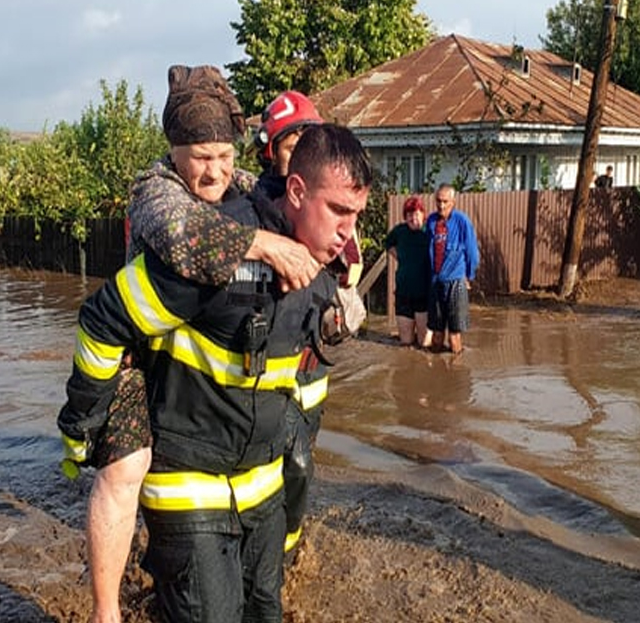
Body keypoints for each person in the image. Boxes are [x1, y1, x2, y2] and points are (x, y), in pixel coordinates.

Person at [59, 123, 373, 622]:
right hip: (190, 487)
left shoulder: (318, 258)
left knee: (265, 612)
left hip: (262, 489)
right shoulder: (215, 254)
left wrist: (330, 329)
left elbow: (293, 372)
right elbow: (102, 320)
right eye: (338, 211)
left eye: (356, 215)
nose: (348, 232)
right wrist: (82, 426)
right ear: (296, 190)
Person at [253, 90, 362, 556]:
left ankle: (285, 546)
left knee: (298, 462)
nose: (297, 151)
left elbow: (351, 265)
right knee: (275, 463)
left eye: (305, 140)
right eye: (288, 143)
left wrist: (347, 305)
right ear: (270, 152)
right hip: (263, 364)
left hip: (309, 365)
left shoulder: (332, 213)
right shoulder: (252, 207)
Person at [425, 183, 479, 355]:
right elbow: (428, 249)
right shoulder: (432, 221)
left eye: (445, 202)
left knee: (454, 336)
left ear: (453, 202)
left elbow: (472, 252)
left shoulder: (462, 222)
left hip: (456, 282)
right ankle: (435, 370)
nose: (441, 205)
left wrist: (469, 276)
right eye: (438, 201)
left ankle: (456, 372)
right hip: (436, 282)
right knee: (436, 333)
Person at [384, 195, 432, 347]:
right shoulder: (400, 231)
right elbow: (387, 243)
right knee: (406, 343)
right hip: (404, 293)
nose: (413, 218)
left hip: (424, 294)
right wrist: (400, 257)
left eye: (416, 213)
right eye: (409, 214)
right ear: (405, 216)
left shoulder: (429, 231)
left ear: (423, 215)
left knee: (424, 343)